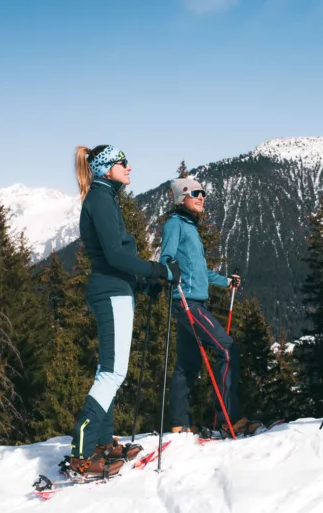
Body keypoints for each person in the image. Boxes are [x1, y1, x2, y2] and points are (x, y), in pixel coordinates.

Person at [67, 144, 180, 477]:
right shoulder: (101, 199)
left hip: (116, 289)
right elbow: (115, 256)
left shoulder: (104, 197)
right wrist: (158, 271)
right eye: (122, 162)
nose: (129, 167)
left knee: (110, 370)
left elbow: (110, 257)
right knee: (112, 373)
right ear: (105, 168)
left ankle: (103, 442)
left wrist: (142, 283)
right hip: (110, 292)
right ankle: (82, 453)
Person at [159, 177, 261, 437]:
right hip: (187, 303)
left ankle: (180, 423)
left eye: (203, 192)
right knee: (227, 349)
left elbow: (199, 270)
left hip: (193, 301)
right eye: (195, 193)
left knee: (187, 365)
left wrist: (226, 282)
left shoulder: (191, 226)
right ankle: (230, 418)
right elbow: (167, 258)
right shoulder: (176, 224)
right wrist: (171, 273)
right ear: (182, 198)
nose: (202, 196)